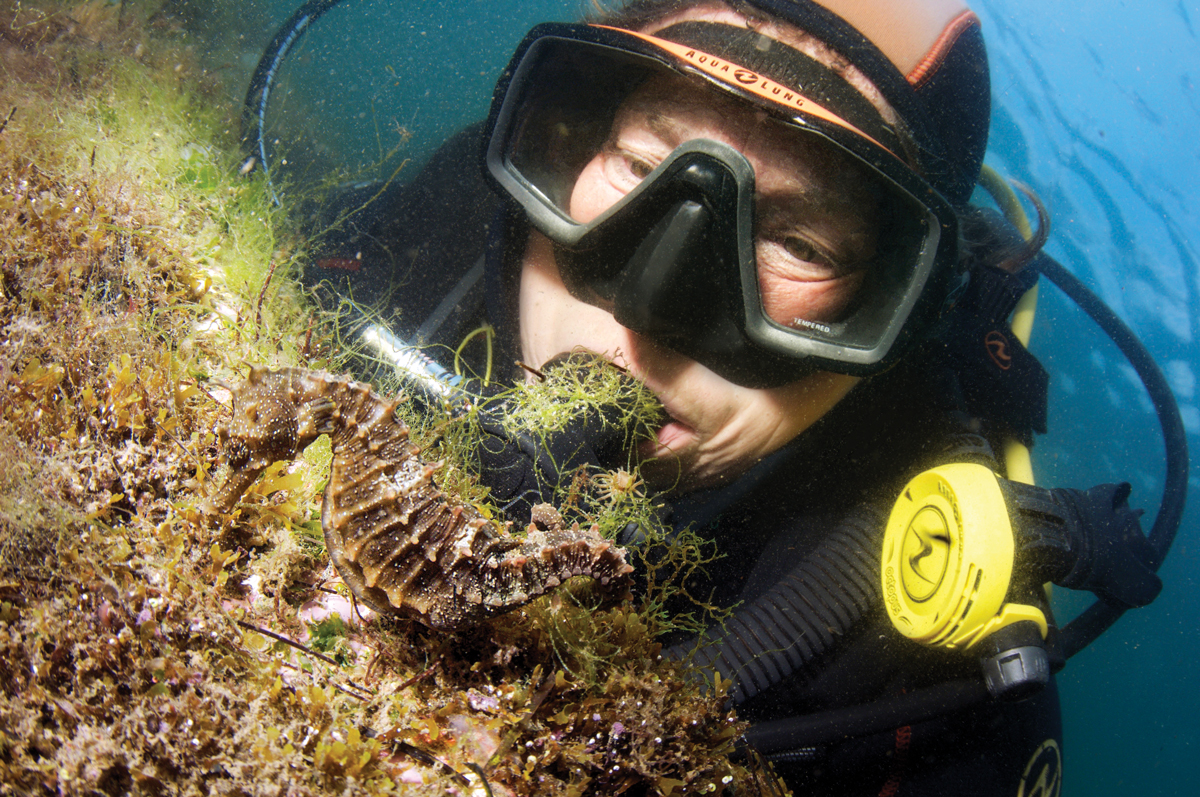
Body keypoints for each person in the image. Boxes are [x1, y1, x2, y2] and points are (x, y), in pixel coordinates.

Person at [289, 0, 1170, 793]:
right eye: (638, 163)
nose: (653, 306)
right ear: (564, 144)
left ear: (893, 321)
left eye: (801, 243)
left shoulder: (928, 690)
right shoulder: (426, 232)